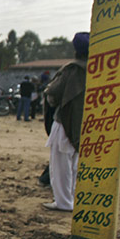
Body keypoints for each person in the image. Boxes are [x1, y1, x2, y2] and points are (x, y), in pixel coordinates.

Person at [42, 32, 88, 211]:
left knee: (61, 166)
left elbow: (52, 93)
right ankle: (73, 199)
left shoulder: (72, 69)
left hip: (64, 122)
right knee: (75, 163)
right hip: (84, 124)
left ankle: (63, 202)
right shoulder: (99, 70)